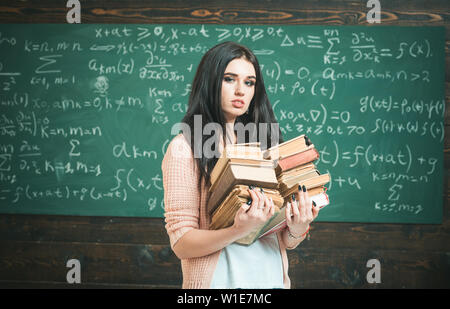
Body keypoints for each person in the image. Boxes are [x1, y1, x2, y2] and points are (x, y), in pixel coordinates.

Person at [162, 41, 320, 289]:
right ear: (210, 82)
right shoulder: (184, 147)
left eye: (249, 82)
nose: (240, 91)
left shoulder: (267, 144)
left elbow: (284, 239)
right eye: (229, 79)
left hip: (271, 282)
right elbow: (182, 243)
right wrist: (237, 230)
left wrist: (297, 227)